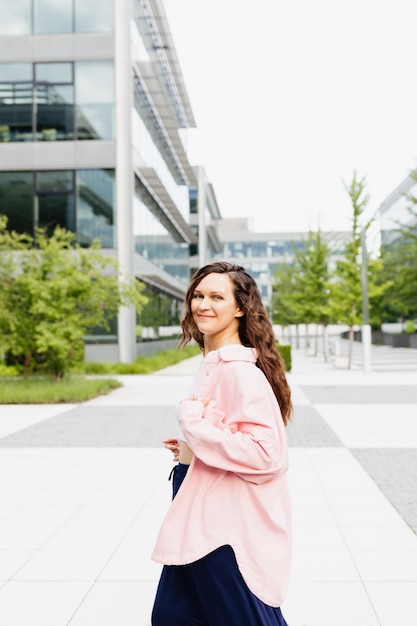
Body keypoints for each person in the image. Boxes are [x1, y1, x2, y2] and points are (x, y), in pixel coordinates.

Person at [151, 261, 292, 626]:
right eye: (198, 295)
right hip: (198, 512)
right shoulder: (214, 363)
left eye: (217, 296)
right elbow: (224, 433)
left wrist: (195, 425)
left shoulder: (240, 372)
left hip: (222, 529)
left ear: (241, 307)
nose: (202, 305)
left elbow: (267, 453)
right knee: (173, 616)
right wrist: (191, 450)